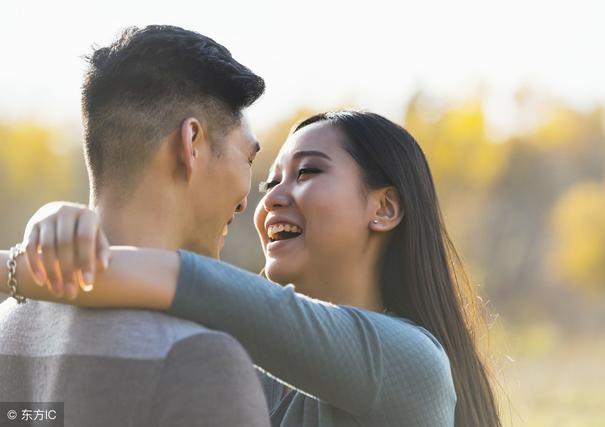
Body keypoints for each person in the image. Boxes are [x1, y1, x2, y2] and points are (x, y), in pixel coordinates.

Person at [3, 110, 503, 426]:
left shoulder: (410, 362)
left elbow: (192, 283)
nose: (272, 200)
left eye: (307, 172)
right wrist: (56, 221)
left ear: (384, 209)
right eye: (268, 184)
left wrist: (12, 269)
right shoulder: (241, 363)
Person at [0, 25, 272, 427]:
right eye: (248, 159)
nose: (248, 200)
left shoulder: (7, 327)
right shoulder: (200, 359)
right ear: (192, 143)